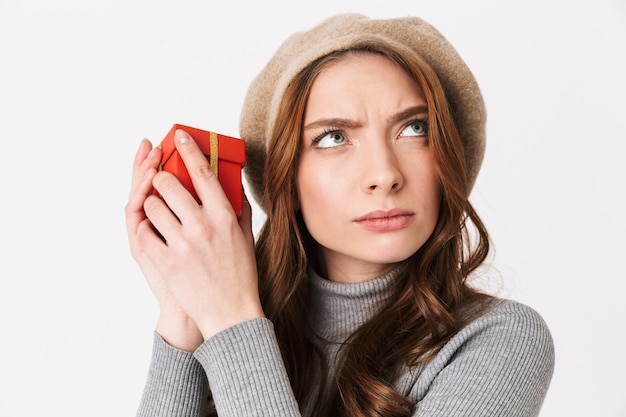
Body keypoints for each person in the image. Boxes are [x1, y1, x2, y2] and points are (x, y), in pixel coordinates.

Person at [125, 13, 554, 417]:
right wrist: (184, 315)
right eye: (334, 137)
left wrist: (229, 318)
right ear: (287, 182)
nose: (384, 175)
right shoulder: (231, 325)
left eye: (414, 129)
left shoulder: (501, 339)